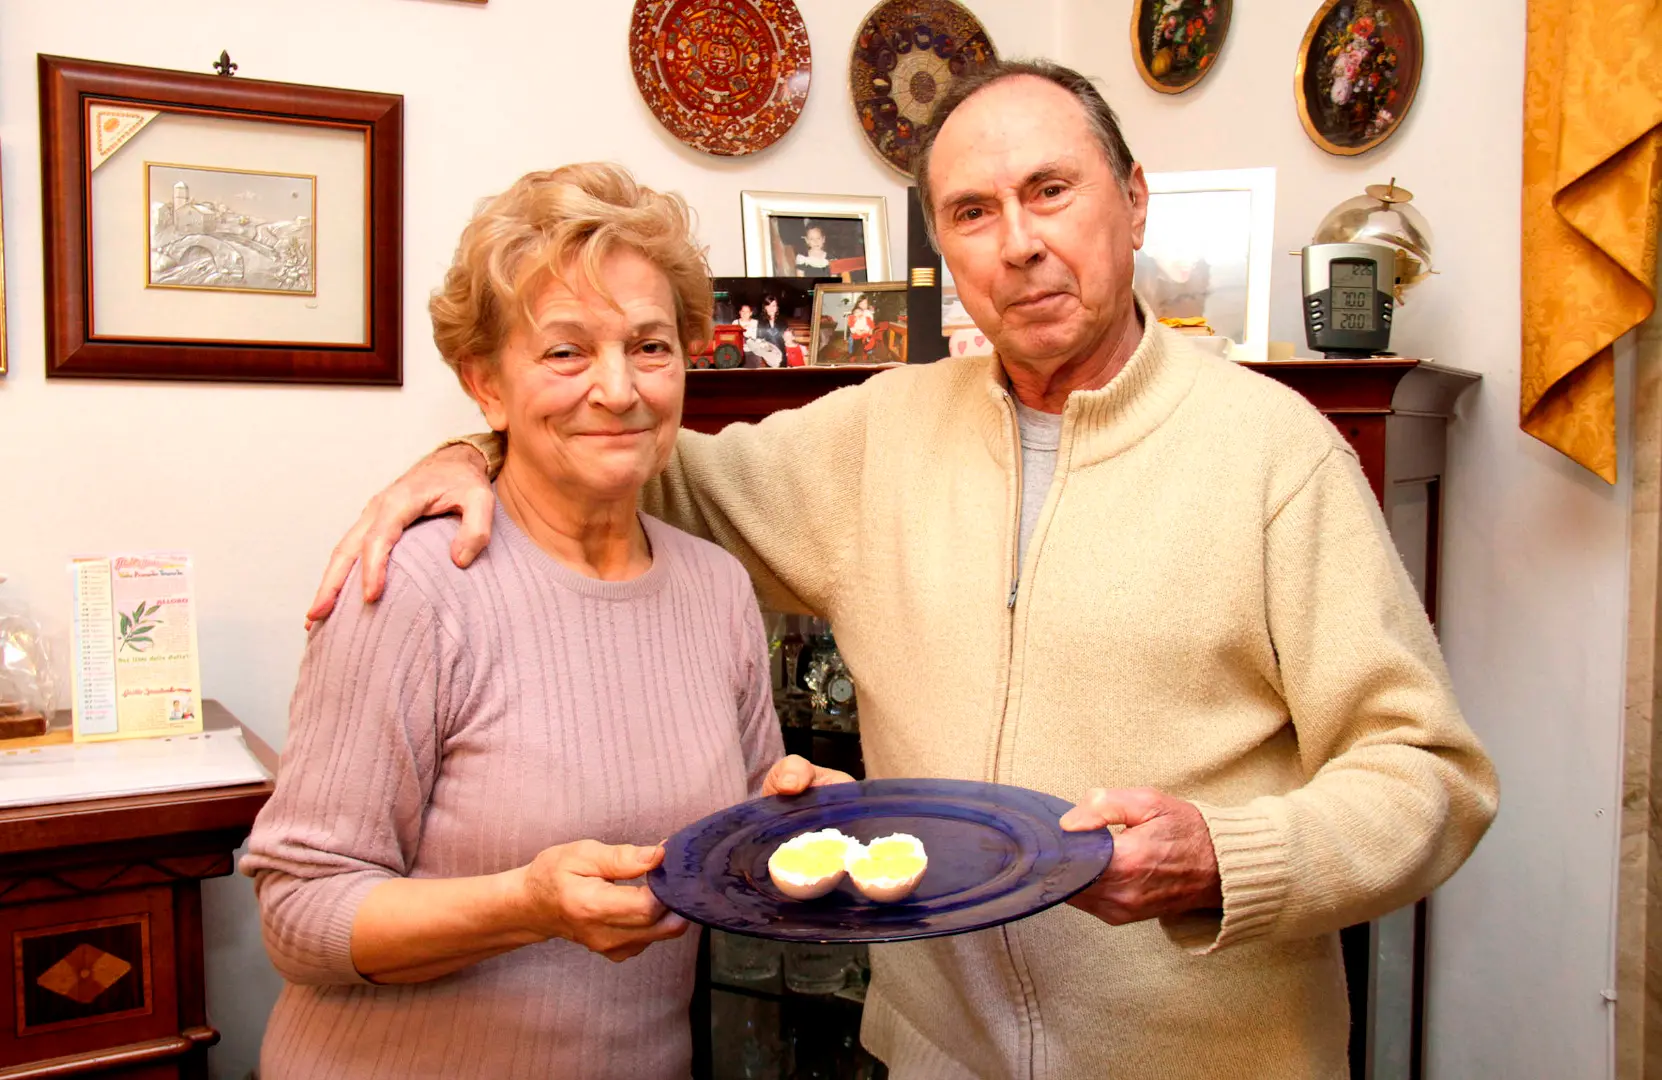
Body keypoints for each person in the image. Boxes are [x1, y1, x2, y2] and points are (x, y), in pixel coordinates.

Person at [307, 61, 1497, 1080]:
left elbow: (1428, 777)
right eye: (973, 212)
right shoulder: (871, 434)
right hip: (929, 1057)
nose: (1018, 241)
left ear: (1133, 204)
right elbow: (624, 445)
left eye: (1051, 191)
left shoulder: (1276, 454)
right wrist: (469, 447)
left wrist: (1223, 858)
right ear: (946, 247)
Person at [244, 164, 846, 1080]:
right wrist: (527, 904)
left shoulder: (718, 588)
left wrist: (791, 821)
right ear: (485, 386)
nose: (619, 389)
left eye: (649, 347)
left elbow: (725, 846)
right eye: (565, 352)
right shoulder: (411, 586)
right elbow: (299, 914)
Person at [846, 293, 877, 361]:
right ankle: (852, 353)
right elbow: (851, 323)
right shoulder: (855, 312)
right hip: (856, 331)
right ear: (858, 304)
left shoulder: (869, 313)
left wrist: (866, 331)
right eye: (861, 303)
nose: (863, 305)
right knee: (852, 339)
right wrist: (856, 331)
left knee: (869, 340)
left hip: (866, 331)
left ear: (867, 304)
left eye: (865, 303)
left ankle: (867, 352)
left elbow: (870, 323)